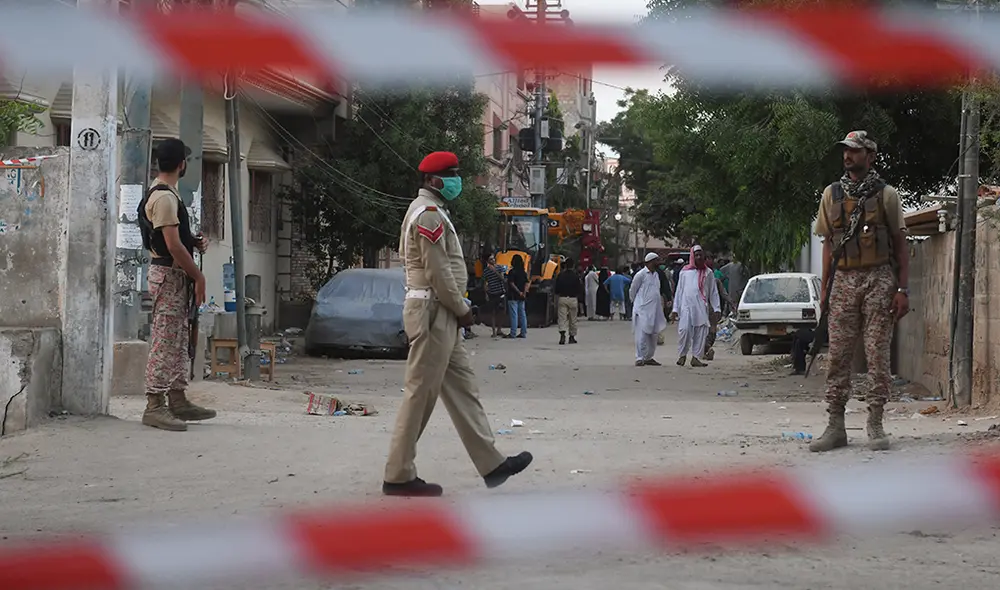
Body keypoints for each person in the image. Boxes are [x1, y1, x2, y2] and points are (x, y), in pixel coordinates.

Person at [385, 151, 532, 496]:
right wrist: (462, 309)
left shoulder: (431, 212)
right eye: (452, 174)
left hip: (441, 314)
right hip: (433, 311)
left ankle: (492, 464)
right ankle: (398, 474)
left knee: (464, 389)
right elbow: (438, 272)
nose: (457, 181)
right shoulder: (429, 215)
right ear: (434, 181)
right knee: (420, 395)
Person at [809, 131, 909, 453]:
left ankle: (875, 422)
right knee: (837, 354)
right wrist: (825, 288)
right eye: (845, 151)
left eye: (855, 151)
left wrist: (902, 289)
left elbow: (900, 245)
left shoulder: (887, 195)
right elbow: (827, 245)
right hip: (843, 279)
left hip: (878, 279)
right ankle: (835, 425)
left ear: (871, 156)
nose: (848, 156)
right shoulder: (831, 194)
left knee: (877, 353)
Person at [137, 138, 214, 432]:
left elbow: (176, 240)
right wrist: (198, 276)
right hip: (169, 275)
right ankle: (154, 405)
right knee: (165, 340)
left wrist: (193, 241)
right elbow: (172, 246)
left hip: (173, 275)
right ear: (181, 164)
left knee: (179, 340)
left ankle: (177, 398)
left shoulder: (166, 195)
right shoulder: (165, 198)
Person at [671, 245, 721, 367]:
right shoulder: (685, 272)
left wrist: (717, 308)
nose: (699, 257)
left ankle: (695, 357)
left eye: (700, 254)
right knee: (685, 330)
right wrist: (675, 309)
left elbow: (713, 292)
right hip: (686, 306)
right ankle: (682, 355)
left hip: (701, 307)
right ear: (692, 256)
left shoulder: (708, 273)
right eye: (696, 255)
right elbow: (679, 291)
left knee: (701, 332)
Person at [629, 252, 668, 366]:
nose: (659, 263)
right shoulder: (641, 274)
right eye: (656, 261)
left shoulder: (656, 275)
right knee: (641, 335)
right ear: (650, 262)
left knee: (653, 335)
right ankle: (639, 357)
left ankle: (649, 357)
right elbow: (632, 290)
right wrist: (637, 304)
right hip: (642, 310)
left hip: (654, 309)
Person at [555, 257, 581, 345]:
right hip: (573, 298)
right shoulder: (576, 276)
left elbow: (556, 288)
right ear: (573, 265)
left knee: (562, 318)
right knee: (573, 318)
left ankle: (562, 335)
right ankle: (572, 337)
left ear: (565, 265)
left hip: (562, 298)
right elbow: (579, 288)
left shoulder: (560, 275)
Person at [482, 255, 507, 338]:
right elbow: (485, 283)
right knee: (493, 312)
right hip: (492, 293)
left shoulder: (500, 268)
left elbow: (503, 279)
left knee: (502, 311)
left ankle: (499, 329)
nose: (492, 260)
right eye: (490, 259)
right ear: (488, 261)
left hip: (500, 292)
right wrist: (486, 294)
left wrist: (495, 271)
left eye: (493, 259)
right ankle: (493, 331)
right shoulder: (486, 271)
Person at [506, 254, 530, 339]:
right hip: (521, 297)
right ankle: (523, 333)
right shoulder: (523, 272)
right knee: (522, 314)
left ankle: (513, 333)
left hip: (513, 296)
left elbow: (511, 283)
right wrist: (524, 293)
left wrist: (518, 292)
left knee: (514, 315)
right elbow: (527, 283)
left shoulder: (512, 272)